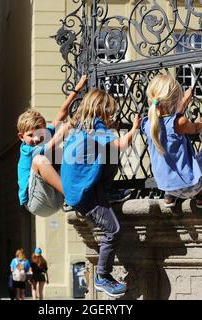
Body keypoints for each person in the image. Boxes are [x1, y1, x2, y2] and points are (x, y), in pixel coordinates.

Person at [61, 88, 141, 298]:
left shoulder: (80, 128)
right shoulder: (96, 128)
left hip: (80, 188)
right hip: (84, 195)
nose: (112, 118)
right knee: (113, 231)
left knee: (108, 152)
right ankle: (102, 277)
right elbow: (122, 145)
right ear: (101, 111)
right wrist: (134, 128)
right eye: (110, 114)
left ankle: (108, 193)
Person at [142, 74, 202, 209]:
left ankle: (170, 197)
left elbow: (167, 117)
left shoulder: (147, 124)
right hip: (191, 186)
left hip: (165, 186)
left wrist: (185, 99)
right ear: (174, 100)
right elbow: (195, 128)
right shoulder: (180, 122)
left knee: (169, 161)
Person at [17, 76, 88, 217]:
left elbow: (61, 113)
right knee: (40, 159)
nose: (36, 138)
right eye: (31, 135)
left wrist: (77, 89)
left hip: (54, 198)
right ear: (21, 137)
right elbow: (54, 141)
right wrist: (73, 121)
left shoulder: (44, 134)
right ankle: (72, 196)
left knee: (64, 150)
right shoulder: (28, 150)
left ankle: (82, 185)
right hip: (35, 202)